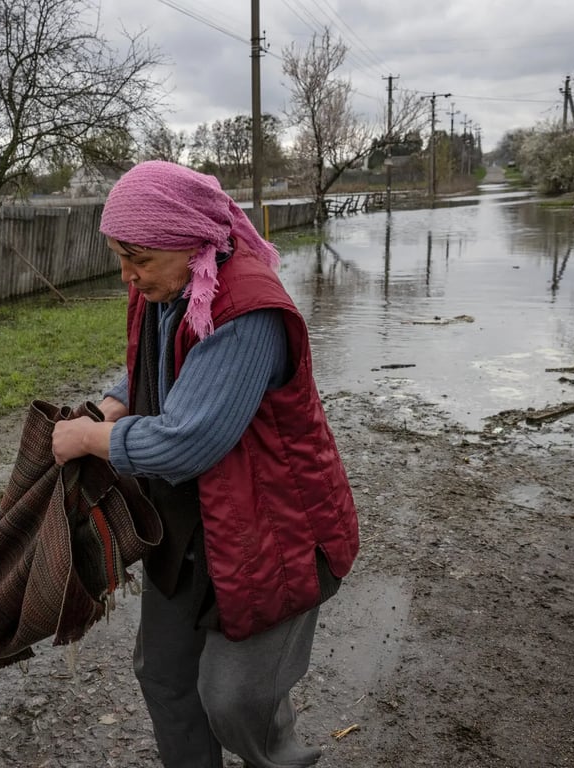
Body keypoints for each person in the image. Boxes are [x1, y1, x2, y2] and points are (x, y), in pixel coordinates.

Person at [51, 161, 359, 768]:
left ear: (192, 240)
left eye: (136, 257)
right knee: (163, 675)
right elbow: (158, 363)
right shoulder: (171, 286)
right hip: (189, 527)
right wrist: (117, 398)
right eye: (119, 256)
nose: (127, 275)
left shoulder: (247, 311)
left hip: (270, 533)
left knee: (237, 700)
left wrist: (90, 439)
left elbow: (187, 441)